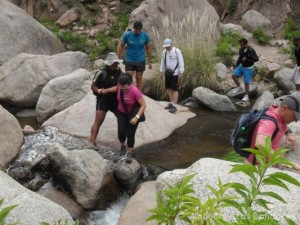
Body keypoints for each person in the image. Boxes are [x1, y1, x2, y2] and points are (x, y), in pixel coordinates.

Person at [247, 95, 300, 170]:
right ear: (284, 108)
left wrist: (288, 132)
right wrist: (289, 164)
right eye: (294, 116)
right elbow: (260, 143)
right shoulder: (269, 122)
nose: (295, 120)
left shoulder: (276, 112)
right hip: (257, 166)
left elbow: (281, 124)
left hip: (267, 162)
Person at [105, 75, 146, 163]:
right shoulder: (120, 87)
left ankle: (130, 152)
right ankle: (123, 145)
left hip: (133, 113)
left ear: (130, 84)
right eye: (122, 88)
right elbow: (116, 88)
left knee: (130, 133)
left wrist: (136, 117)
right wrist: (107, 90)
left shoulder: (135, 91)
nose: (124, 90)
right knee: (121, 131)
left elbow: (143, 105)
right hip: (121, 112)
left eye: (126, 88)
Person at [89, 52, 123, 147]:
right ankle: (91, 143)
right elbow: (93, 86)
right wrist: (99, 91)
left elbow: (123, 86)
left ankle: (123, 143)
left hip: (116, 101)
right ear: (108, 64)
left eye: (116, 63)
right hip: (103, 100)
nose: (116, 65)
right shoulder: (101, 73)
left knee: (121, 120)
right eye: (114, 63)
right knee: (98, 121)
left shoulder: (120, 73)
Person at [116, 21, 152, 91]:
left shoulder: (145, 35)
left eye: (139, 30)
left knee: (139, 78)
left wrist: (149, 61)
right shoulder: (128, 35)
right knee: (128, 77)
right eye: (136, 30)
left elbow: (148, 48)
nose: (138, 32)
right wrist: (117, 57)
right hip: (130, 60)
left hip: (140, 60)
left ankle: (139, 95)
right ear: (133, 28)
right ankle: (128, 93)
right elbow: (121, 46)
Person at [159, 39, 184, 113]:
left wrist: (181, 72)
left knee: (175, 89)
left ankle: (175, 106)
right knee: (168, 88)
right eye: (165, 46)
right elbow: (162, 62)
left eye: (168, 46)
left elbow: (181, 62)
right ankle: (171, 103)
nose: (167, 48)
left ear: (171, 44)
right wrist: (161, 72)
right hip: (167, 73)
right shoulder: (164, 52)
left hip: (175, 73)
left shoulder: (177, 51)